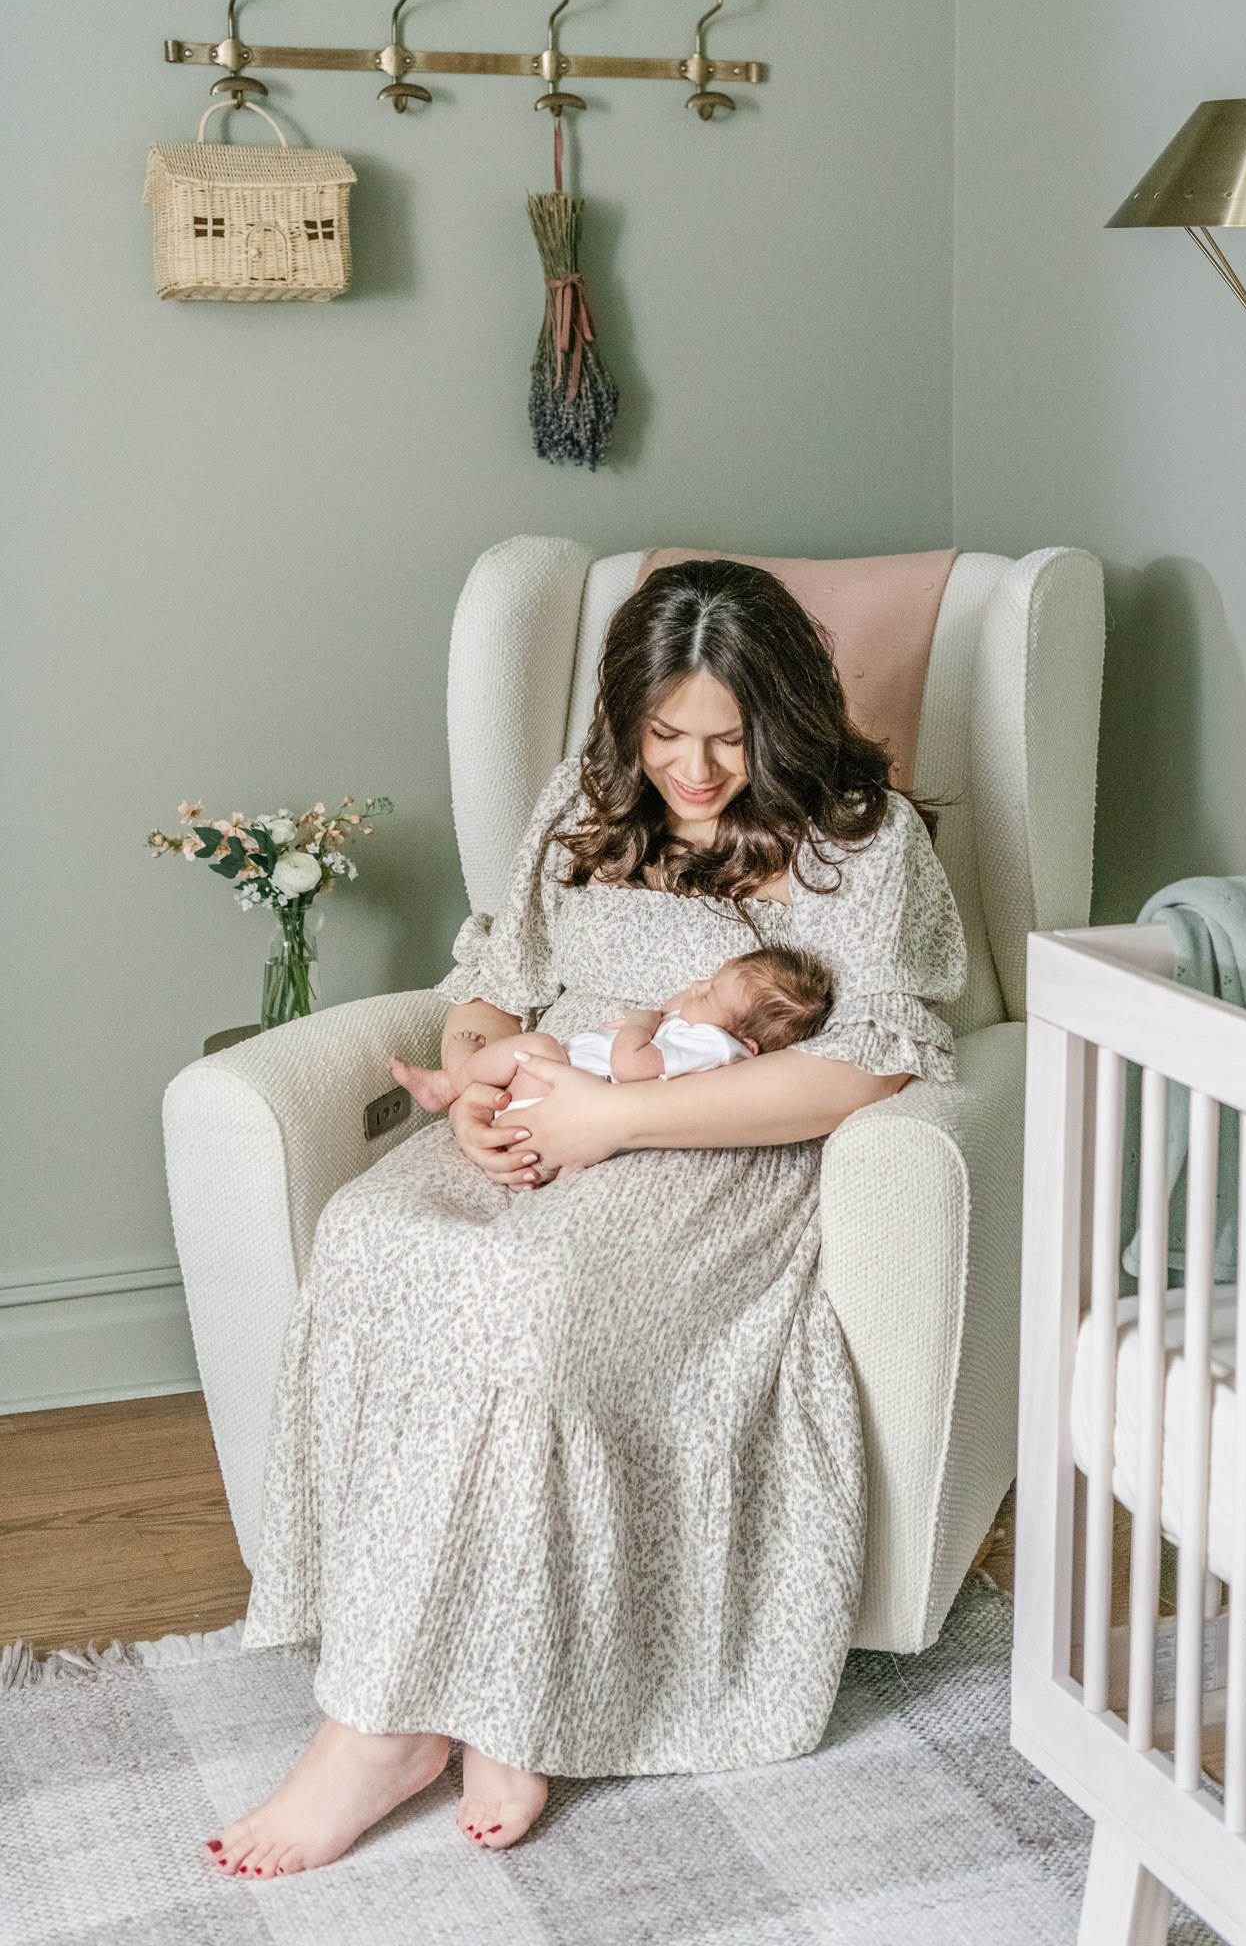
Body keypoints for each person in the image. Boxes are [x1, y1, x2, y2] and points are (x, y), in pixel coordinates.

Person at [202, 558, 967, 1881]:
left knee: (537, 1296)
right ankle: (480, 1690)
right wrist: (477, 1088)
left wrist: (613, 1124)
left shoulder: (861, 837)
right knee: (377, 1242)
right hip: (549, 1096)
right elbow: (497, 987)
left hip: (718, 1142)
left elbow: (874, 1061)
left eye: (729, 739)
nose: (695, 769)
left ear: (786, 716)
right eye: (665, 736)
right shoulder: (585, 799)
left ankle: (385, 1728)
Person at [386, 945, 836, 1156]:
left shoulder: (715, 1044)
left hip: (561, 1100)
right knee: (539, 1047)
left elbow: (629, 1064)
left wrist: (641, 1022)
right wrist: (689, 1003)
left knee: (539, 1045)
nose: (697, 987)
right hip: (548, 1103)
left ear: (747, 1043)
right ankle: (461, 1088)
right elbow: (678, 1006)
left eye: (711, 993)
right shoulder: (705, 1027)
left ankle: (452, 1080)